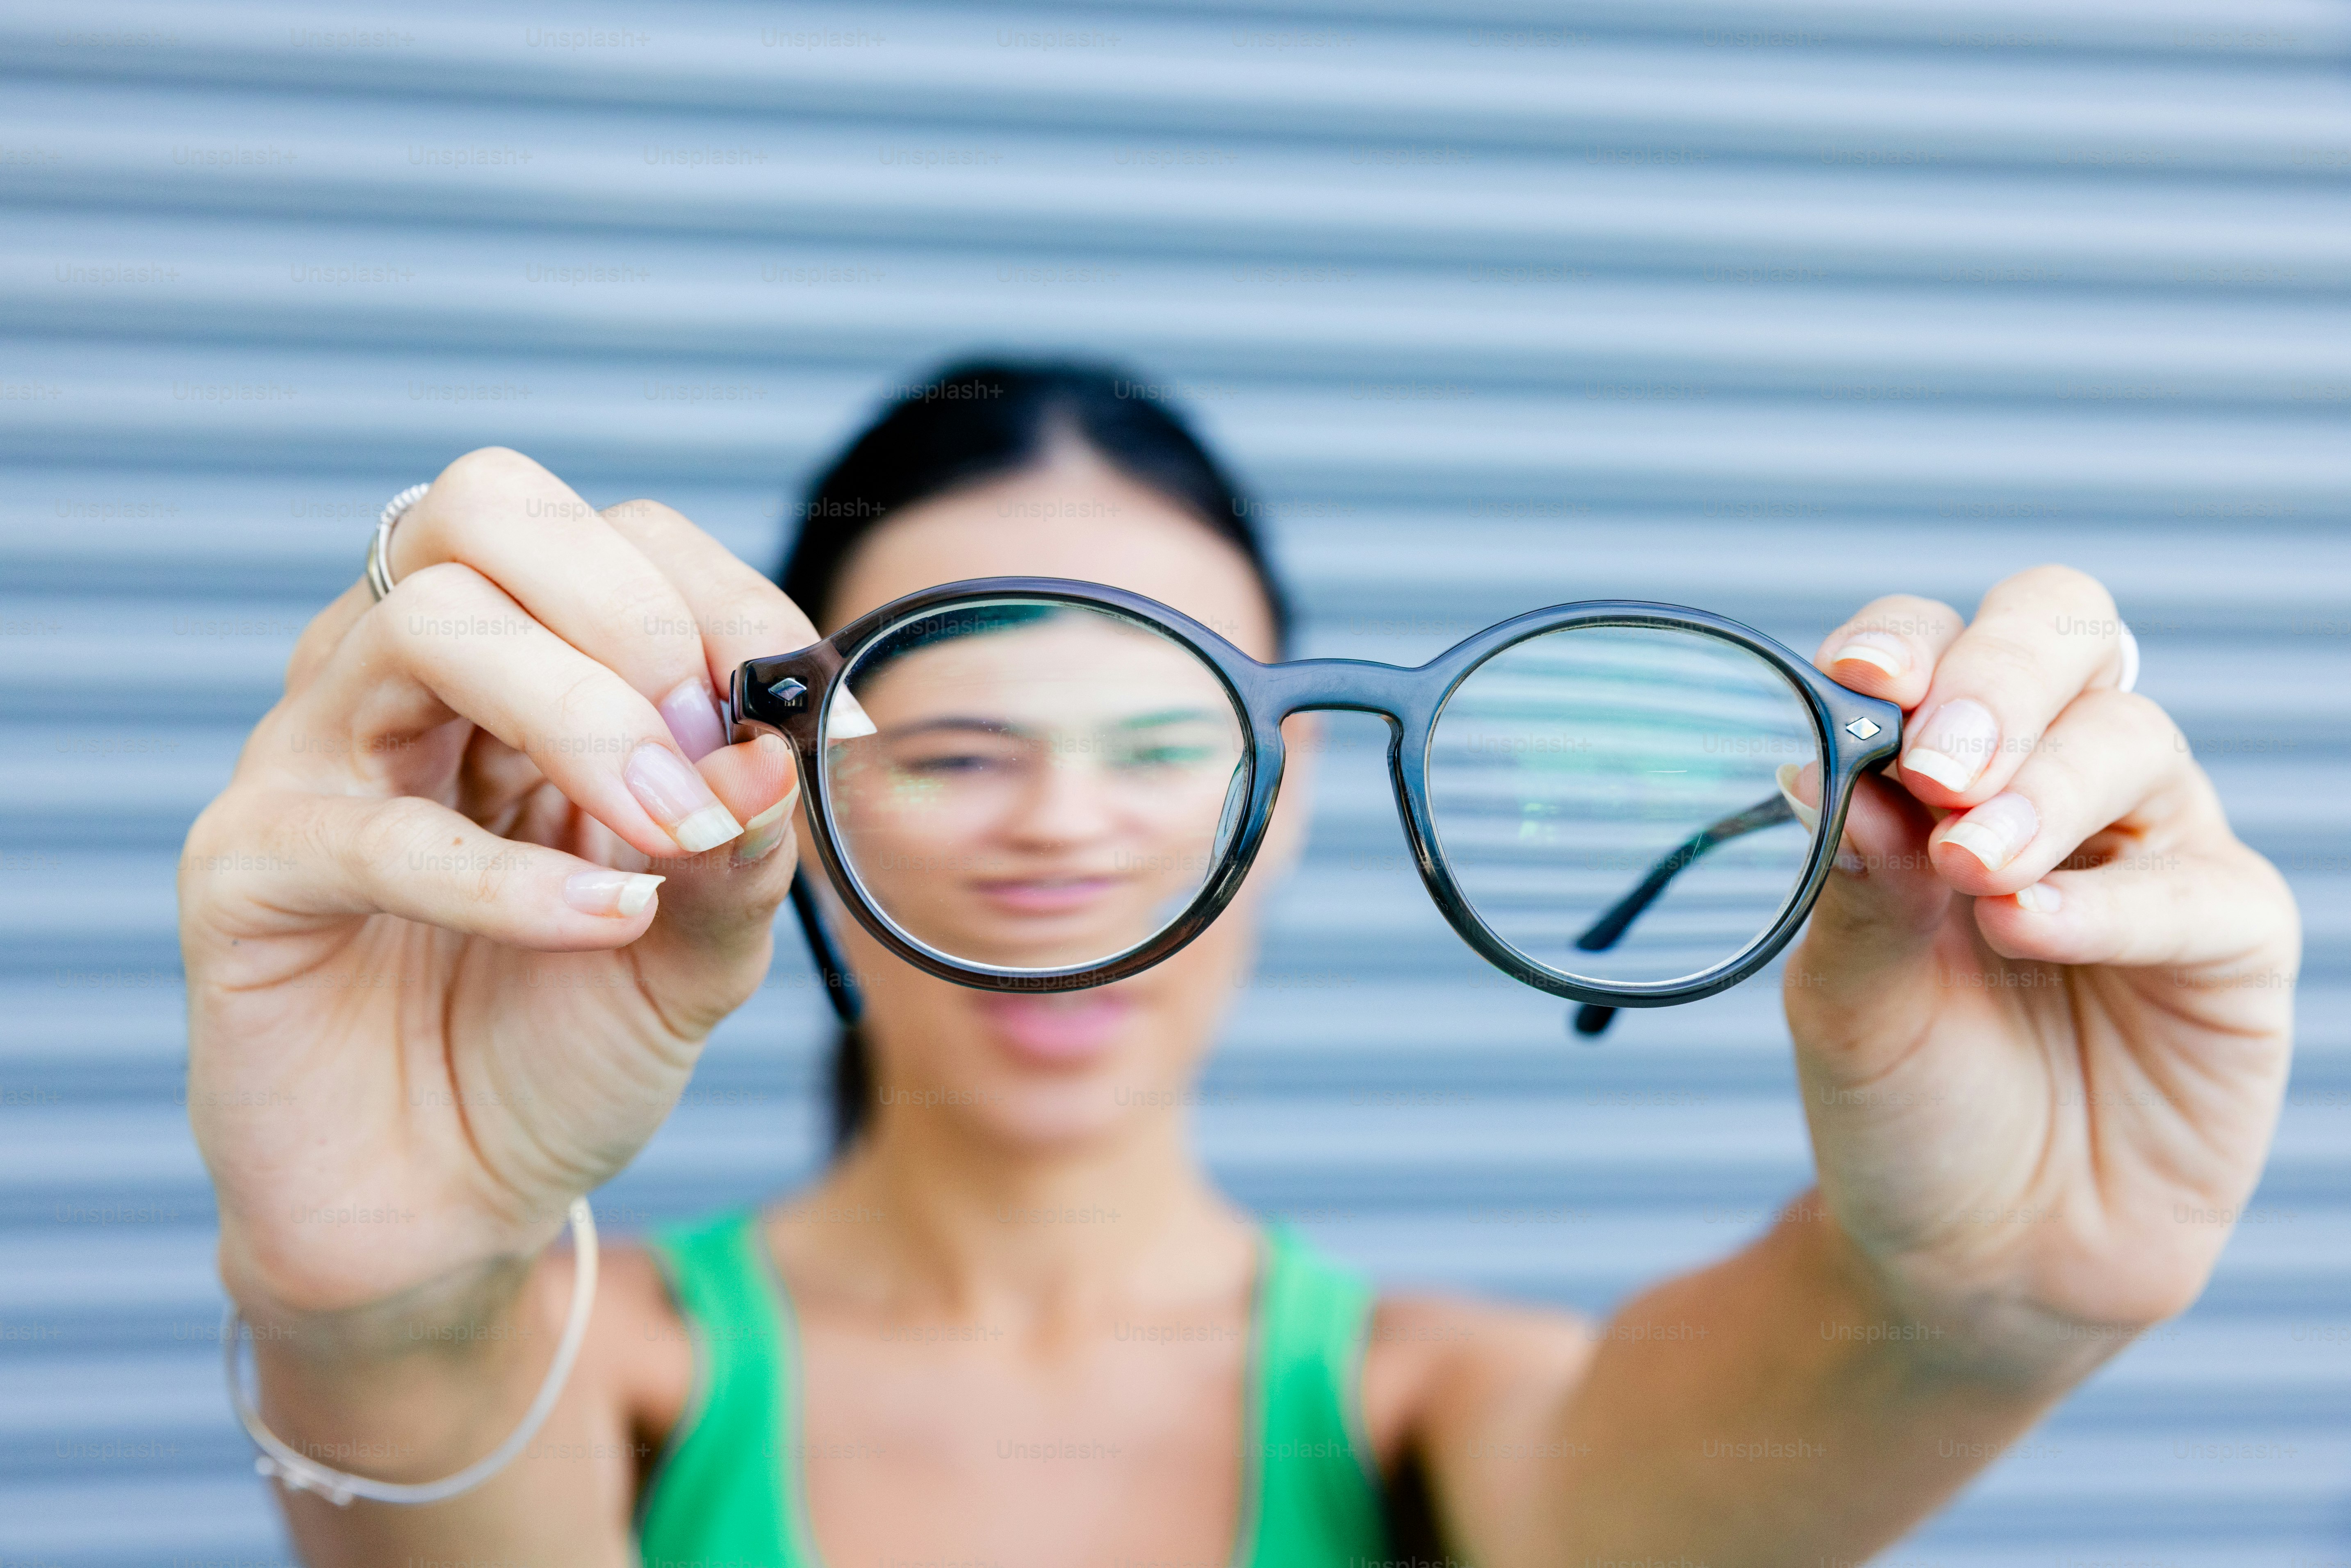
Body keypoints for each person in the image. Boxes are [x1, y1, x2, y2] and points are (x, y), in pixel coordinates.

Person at [179, 359, 2300, 1567]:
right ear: (781, 801)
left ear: (1288, 808)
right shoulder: (594, 1371)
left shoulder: (1429, 1409)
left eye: (1173, 743)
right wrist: (379, 1307)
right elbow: (443, 1403)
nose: (1065, 831)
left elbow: (1693, 1475)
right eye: (953, 741)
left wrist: (1974, 1315)